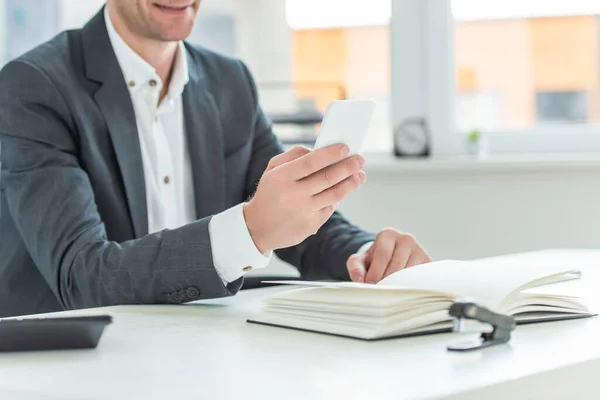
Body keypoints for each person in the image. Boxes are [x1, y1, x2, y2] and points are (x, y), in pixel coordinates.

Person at [0, 0, 431, 318]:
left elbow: (288, 217)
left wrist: (365, 253)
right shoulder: (35, 86)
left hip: (204, 343)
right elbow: (81, 274)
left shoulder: (231, 81)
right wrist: (250, 230)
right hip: (75, 361)